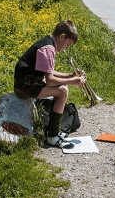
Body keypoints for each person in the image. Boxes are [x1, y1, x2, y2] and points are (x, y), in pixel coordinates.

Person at [14, 20, 86, 148]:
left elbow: (49, 71)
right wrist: (72, 81)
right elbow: (50, 80)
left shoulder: (48, 42)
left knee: (62, 88)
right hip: (25, 86)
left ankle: (53, 129)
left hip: (27, 82)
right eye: (67, 44)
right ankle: (52, 136)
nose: (66, 48)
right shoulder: (49, 49)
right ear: (62, 37)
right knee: (63, 90)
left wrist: (70, 75)